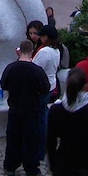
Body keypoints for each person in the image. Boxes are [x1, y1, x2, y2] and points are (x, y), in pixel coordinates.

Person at [0, 39, 50, 176]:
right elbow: (45, 89)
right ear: (32, 52)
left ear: (19, 50)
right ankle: (31, 169)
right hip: (31, 109)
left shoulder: (11, 68)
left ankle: (10, 166)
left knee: (13, 138)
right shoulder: (37, 71)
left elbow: (3, 84)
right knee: (30, 140)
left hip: (15, 108)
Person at [33, 24, 61, 159]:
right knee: (43, 115)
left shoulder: (44, 52)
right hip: (51, 85)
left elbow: (34, 68)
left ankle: (39, 149)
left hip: (41, 87)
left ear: (46, 37)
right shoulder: (56, 51)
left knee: (40, 118)